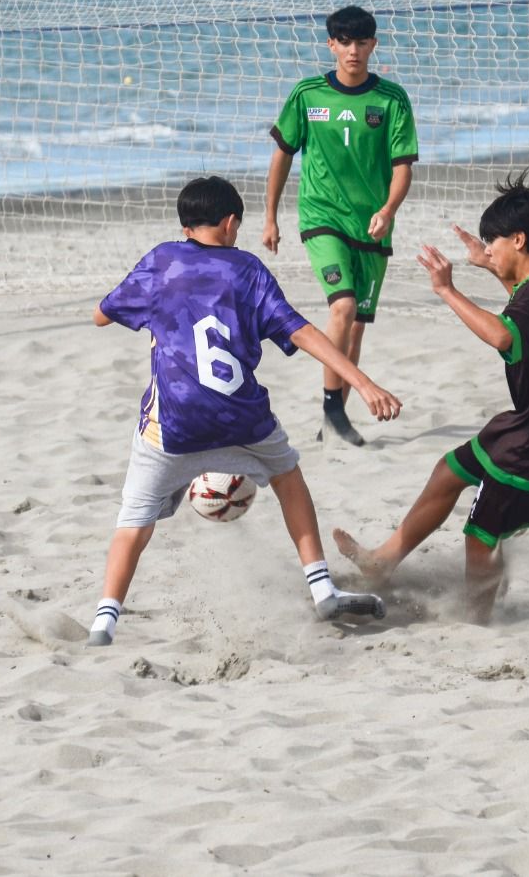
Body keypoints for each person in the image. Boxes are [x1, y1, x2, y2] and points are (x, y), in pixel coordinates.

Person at [86, 175, 403, 647]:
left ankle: (103, 623)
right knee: (288, 476)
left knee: (133, 521)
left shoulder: (160, 262)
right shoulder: (248, 270)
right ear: (232, 223)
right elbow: (300, 331)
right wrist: (362, 381)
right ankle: (321, 587)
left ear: (185, 224)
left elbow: (101, 315)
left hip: (172, 427)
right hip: (243, 419)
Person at [333, 171, 529, 625]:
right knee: (449, 471)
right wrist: (490, 267)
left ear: (518, 239)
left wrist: (447, 290)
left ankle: (477, 617)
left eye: (491, 242)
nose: (487, 248)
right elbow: (520, 308)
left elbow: (501, 334)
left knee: (479, 530)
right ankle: (382, 561)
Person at [264, 4, 419, 448]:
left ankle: (334, 421)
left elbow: (402, 168)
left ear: (373, 44)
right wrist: (270, 216)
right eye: (344, 42)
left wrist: (388, 209)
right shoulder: (307, 95)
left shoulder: (391, 100)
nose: (353, 50)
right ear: (331, 45)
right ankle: (332, 409)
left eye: (361, 41)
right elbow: (282, 155)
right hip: (320, 218)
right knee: (342, 308)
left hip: (371, 227)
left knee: (354, 328)